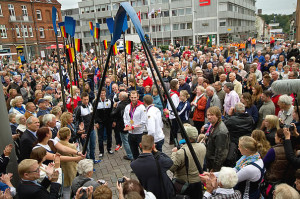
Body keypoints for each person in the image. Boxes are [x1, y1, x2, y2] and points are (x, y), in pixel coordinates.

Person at [170, 125, 206, 199]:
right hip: (198, 182)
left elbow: (172, 167)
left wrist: (174, 153)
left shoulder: (181, 152)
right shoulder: (203, 147)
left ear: (187, 137)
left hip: (185, 185)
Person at [262, 129, 290, 198]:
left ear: (280, 139)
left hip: (271, 180)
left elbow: (264, 163)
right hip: (284, 180)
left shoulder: (273, 150)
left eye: (276, 136)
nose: (274, 137)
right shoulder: (290, 150)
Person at [75, 92, 99, 163]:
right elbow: (76, 121)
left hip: (92, 130)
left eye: (87, 99)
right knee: (87, 149)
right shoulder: (79, 108)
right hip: (84, 132)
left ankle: (93, 160)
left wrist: (94, 124)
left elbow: (92, 116)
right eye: (84, 99)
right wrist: (80, 132)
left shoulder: (90, 105)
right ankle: (89, 163)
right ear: (81, 99)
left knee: (93, 146)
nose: (86, 101)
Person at [123, 91, 147, 160]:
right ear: (130, 97)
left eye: (135, 97)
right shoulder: (127, 107)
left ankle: (145, 167)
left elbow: (143, 121)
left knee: (143, 152)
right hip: (130, 134)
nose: (133, 99)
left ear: (138, 97)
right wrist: (127, 125)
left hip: (139, 134)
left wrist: (133, 127)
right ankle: (136, 168)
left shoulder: (142, 108)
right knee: (134, 152)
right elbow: (125, 117)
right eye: (132, 97)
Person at [205, 106, 229, 172]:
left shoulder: (221, 131)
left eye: (212, 115)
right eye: (208, 115)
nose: (209, 117)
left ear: (218, 116)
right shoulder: (213, 125)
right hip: (210, 159)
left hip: (215, 164)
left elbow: (220, 153)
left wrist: (215, 168)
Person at [111, 92, 133, 160]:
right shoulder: (130, 103)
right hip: (130, 124)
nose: (118, 97)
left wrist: (114, 107)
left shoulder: (120, 106)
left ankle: (130, 155)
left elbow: (113, 114)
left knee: (125, 141)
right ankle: (133, 153)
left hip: (122, 126)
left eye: (119, 96)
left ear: (122, 98)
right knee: (129, 140)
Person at [58, 127, 79, 199]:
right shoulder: (71, 146)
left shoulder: (58, 144)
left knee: (65, 188)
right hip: (71, 169)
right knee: (70, 187)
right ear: (68, 136)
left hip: (61, 168)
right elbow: (77, 158)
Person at [95, 88, 114, 158]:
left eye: (103, 93)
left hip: (108, 121)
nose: (102, 94)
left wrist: (112, 121)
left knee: (109, 135)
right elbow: (95, 114)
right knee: (100, 137)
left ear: (105, 93)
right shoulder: (96, 102)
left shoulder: (109, 101)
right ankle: (101, 151)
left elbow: (112, 111)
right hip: (100, 122)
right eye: (101, 93)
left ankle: (109, 149)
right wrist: (96, 122)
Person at [164, 79, 180, 145]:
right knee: (174, 129)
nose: (178, 85)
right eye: (178, 84)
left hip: (171, 113)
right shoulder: (174, 95)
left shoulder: (170, 92)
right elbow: (176, 106)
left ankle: (171, 140)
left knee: (173, 128)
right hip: (174, 114)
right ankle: (175, 142)